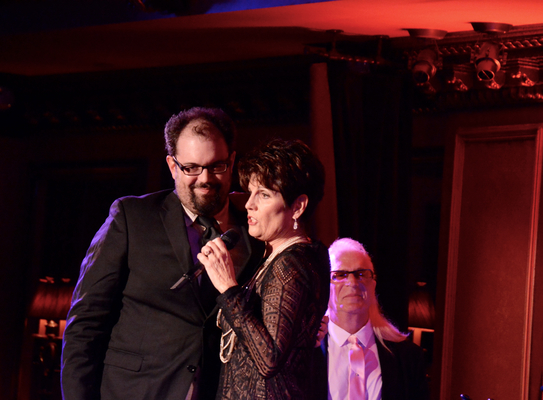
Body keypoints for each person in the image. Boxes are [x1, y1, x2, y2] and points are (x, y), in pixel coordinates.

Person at [60, 107, 264, 400]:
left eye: (216, 166)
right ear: (172, 166)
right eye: (191, 167)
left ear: (232, 161)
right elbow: (85, 326)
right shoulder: (131, 218)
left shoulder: (255, 228)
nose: (205, 179)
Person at [198, 138, 331, 399]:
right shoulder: (279, 257)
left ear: (298, 206)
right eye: (251, 191)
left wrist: (228, 287)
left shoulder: (293, 263)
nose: (249, 204)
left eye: (265, 194)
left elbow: (269, 359)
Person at [313, 238, 429, 400]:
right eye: (340, 274)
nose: (352, 282)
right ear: (324, 285)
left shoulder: (408, 357)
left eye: (361, 274)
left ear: (373, 284)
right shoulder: (306, 351)